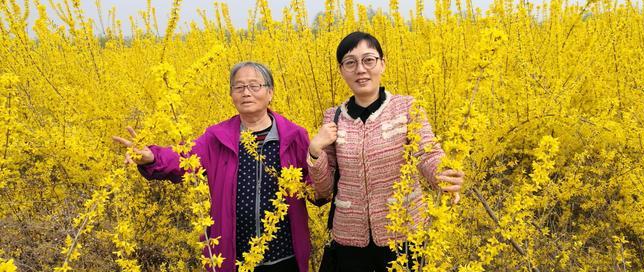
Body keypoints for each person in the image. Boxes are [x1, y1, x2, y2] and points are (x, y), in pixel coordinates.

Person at [112, 62, 311, 272]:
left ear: (270, 92)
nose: (246, 93)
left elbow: (314, 187)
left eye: (254, 86)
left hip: (285, 256)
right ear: (231, 95)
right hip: (234, 257)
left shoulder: (294, 136)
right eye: (239, 87)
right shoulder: (218, 138)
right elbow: (183, 157)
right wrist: (153, 157)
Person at [307, 32, 465, 272]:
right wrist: (315, 151)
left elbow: (427, 153)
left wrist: (443, 174)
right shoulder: (333, 117)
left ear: (382, 63)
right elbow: (325, 189)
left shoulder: (407, 107)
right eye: (350, 63)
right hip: (350, 238)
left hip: (404, 231)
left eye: (368, 60)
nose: (361, 69)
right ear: (341, 70)